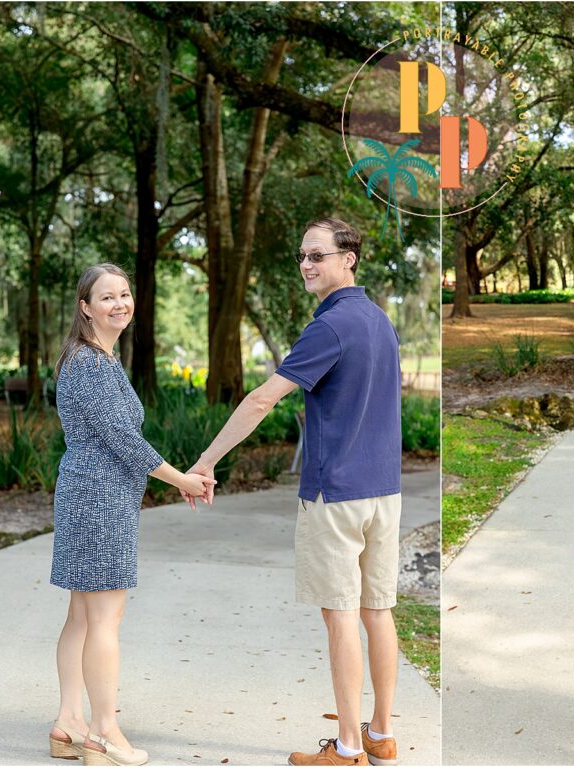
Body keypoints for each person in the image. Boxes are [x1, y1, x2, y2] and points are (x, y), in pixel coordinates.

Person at [184, 218, 402, 767]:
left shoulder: (329, 327)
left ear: (348, 258)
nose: (306, 265)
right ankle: (381, 734)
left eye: (317, 256)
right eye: (301, 256)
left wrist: (207, 460)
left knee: (342, 616)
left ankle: (349, 748)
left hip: (337, 495)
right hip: (385, 494)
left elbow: (262, 400)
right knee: (377, 611)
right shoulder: (380, 321)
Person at [48, 264, 215, 767]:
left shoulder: (97, 357)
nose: (120, 303)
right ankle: (103, 733)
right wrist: (183, 479)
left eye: (125, 294)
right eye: (106, 297)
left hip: (96, 495)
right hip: (98, 499)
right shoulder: (92, 365)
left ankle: (68, 723)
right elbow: (123, 441)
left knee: (82, 615)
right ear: (85, 307)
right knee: (103, 618)